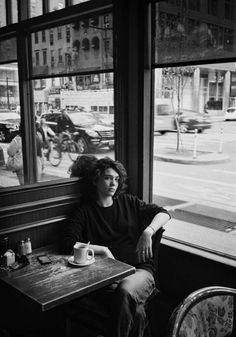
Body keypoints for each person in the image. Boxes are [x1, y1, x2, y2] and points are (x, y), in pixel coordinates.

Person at [63, 156, 171, 337]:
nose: (113, 183)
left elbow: (164, 213)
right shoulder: (84, 211)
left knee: (126, 290)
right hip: (107, 278)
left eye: (116, 179)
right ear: (95, 180)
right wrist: (102, 249)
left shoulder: (129, 202)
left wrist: (148, 231)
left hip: (139, 272)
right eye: (107, 178)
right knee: (136, 312)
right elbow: (68, 243)